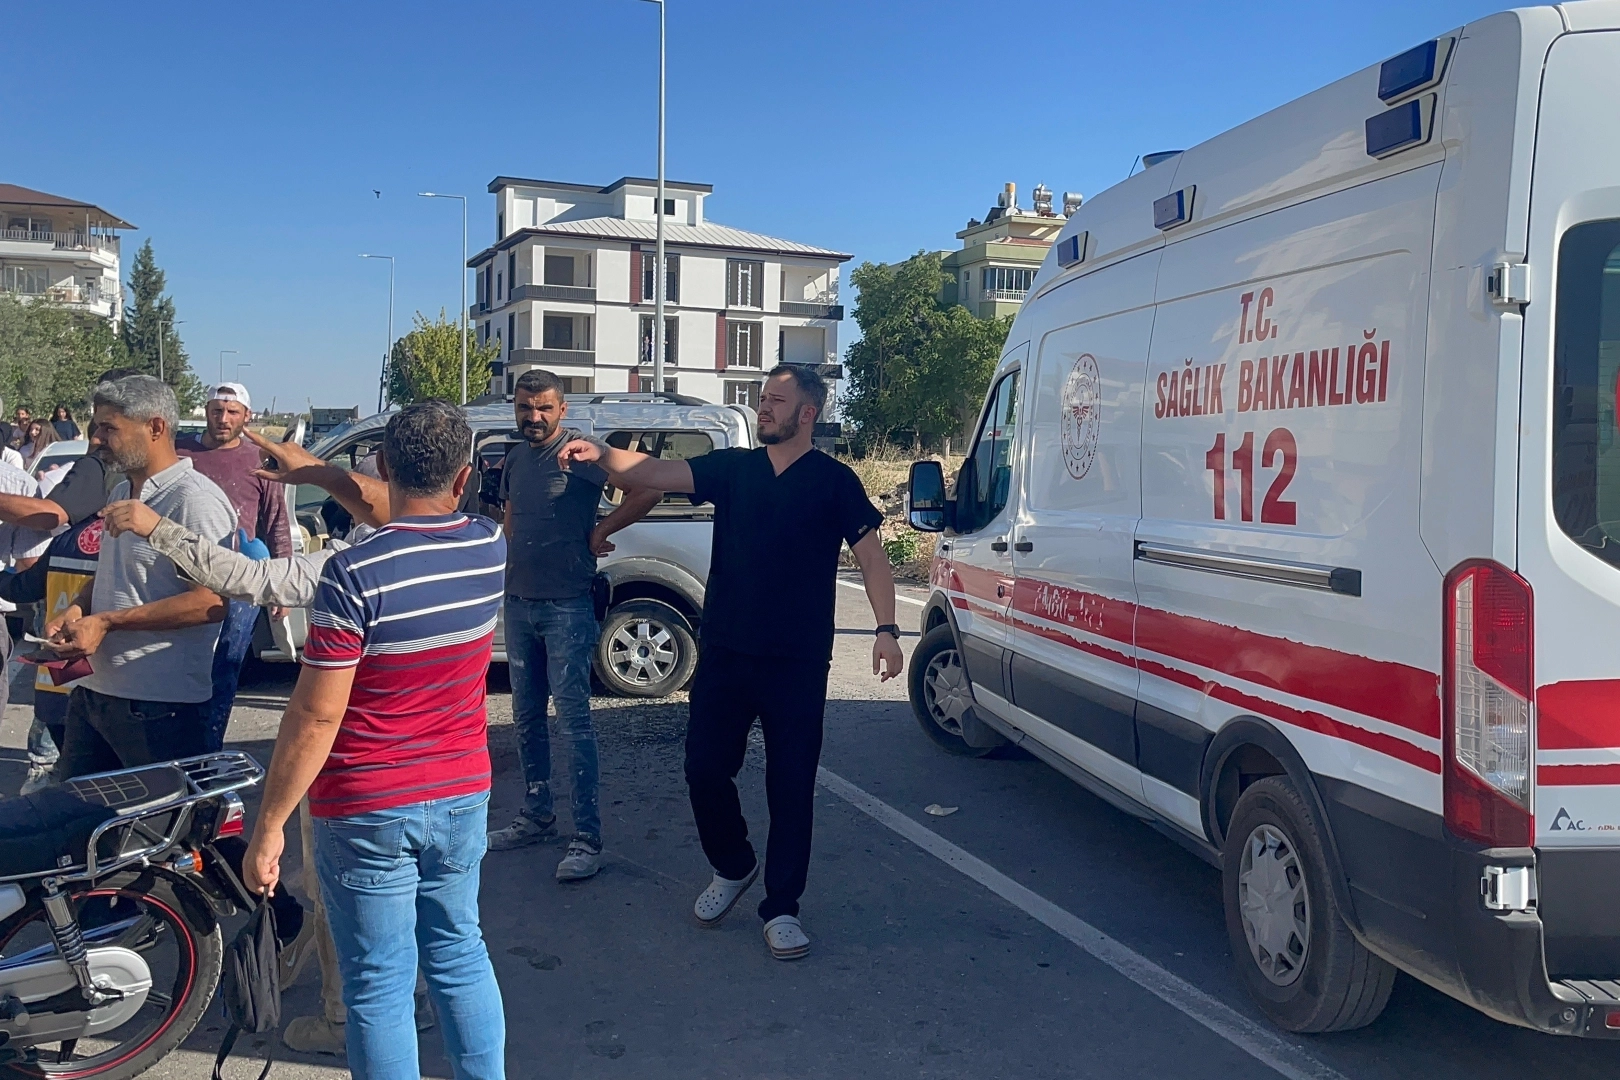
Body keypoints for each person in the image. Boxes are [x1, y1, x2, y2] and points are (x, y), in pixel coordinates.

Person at [558, 364, 904, 961]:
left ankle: (782, 907)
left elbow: (872, 557)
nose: (764, 407)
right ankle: (734, 864)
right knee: (704, 769)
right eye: (762, 398)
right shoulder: (735, 469)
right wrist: (603, 454)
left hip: (796, 661)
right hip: (725, 652)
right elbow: (656, 471)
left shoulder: (834, 482)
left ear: (807, 414)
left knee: (790, 786)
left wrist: (887, 630)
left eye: (777, 400)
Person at [242, 402, 507, 1080]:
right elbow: (408, 516)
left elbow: (316, 717)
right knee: (460, 953)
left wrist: (269, 827)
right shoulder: (487, 545)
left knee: (378, 983)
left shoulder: (354, 574)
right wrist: (321, 473)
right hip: (460, 793)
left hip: (366, 804)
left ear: (383, 464)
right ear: (465, 478)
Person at [486, 368, 661, 880]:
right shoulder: (515, 458)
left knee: (574, 721)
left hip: (567, 604)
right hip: (520, 603)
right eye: (525, 407)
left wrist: (601, 530)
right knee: (526, 717)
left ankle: (587, 838)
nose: (534, 417)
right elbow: (512, 518)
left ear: (562, 409)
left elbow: (646, 490)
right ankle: (536, 815)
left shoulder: (581, 454)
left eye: (544, 407)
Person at [176, 382, 293, 751]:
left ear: (246, 417)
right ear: (206, 412)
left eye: (231, 412)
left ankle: (207, 751)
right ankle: (176, 748)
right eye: (216, 410)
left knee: (225, 670)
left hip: (239, 582)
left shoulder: (258, 461)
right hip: (181, 577)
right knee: (178, 668)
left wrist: (282, 586)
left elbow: (276, 522)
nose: (223, 419)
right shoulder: (181, 454)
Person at [0, 368, 142, 535]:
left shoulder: (102, 465)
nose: (96, 438)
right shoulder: (157, 475)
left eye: (107, 427)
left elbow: (49, 516)